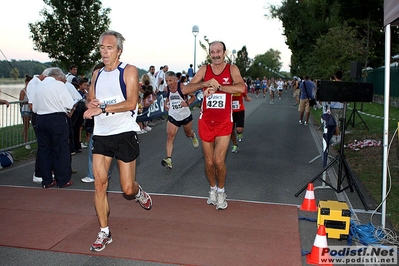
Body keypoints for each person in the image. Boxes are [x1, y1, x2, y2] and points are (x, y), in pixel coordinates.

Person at [83, 30, 153, 252]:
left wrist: (102, 107)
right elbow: (91, 101)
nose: (104, 51)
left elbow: (132, 103)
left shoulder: (129, 71)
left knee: (127, 189)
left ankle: (138, 192)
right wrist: (91, 106)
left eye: (109, 48)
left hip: (124, 133)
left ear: (119, 51)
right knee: (99, 183)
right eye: (102, 47)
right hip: (102, 134)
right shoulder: (97, 74)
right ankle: (104, 231)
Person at [182, 41, 245, 210]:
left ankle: (222, 191)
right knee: (209, 162)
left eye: (218, 51)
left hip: (224, 121)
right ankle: (212, 189)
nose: (215, 54)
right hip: (206, 121)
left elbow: (241, 87)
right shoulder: (204, 70)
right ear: (209, 54)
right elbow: (186, 89)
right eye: (212, 52)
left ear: (224, 53)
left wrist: (221, 87)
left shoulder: (232, 69)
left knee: (219, 160)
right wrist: (204, 84)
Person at [32, 67, 75, 188]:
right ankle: (62, 179)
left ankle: (46, 180)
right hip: (56, 119)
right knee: (61, 149)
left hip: (40, 118)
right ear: (59, 77)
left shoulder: (38, 86)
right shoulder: (59, 85)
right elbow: (69, 104)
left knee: (44, 150)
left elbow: (34, 107)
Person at [161, 71, 199, 169]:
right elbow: (169, 98)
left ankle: (192, 135)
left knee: (188, 133)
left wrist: (187, 103)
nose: (168, 83)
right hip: (173, 115)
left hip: (185, 115)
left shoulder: (182, 87)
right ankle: (168, 159)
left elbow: (193, 96)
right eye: (166, 81)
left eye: (170, 80)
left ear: (176, 80)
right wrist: (166, 103)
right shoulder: (167, 89)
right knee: (170, 136)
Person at [231, 82, 251, 153]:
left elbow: (244, 93)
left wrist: (246, 97)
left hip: (240, 109)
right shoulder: (227, 84)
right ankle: (235, 145)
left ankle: (239, 134)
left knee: (239, 129)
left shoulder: (242, 85)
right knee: (230, 130)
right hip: (230, 111)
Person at [330, 71, 344, 145]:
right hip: (342, 107)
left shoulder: (333, 85)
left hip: (334, 106)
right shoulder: (344, 85)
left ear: (335, 76)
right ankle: (337, 137)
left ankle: (337, 139)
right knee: (339, 123)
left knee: (335, 124)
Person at [19, 74, 33, 149]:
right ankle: (26, 142)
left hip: (31, 110)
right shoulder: (23, 91)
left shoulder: (32, 91)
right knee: (26, 126)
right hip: (25, 110)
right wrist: (27, 102)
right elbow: (21, 101)